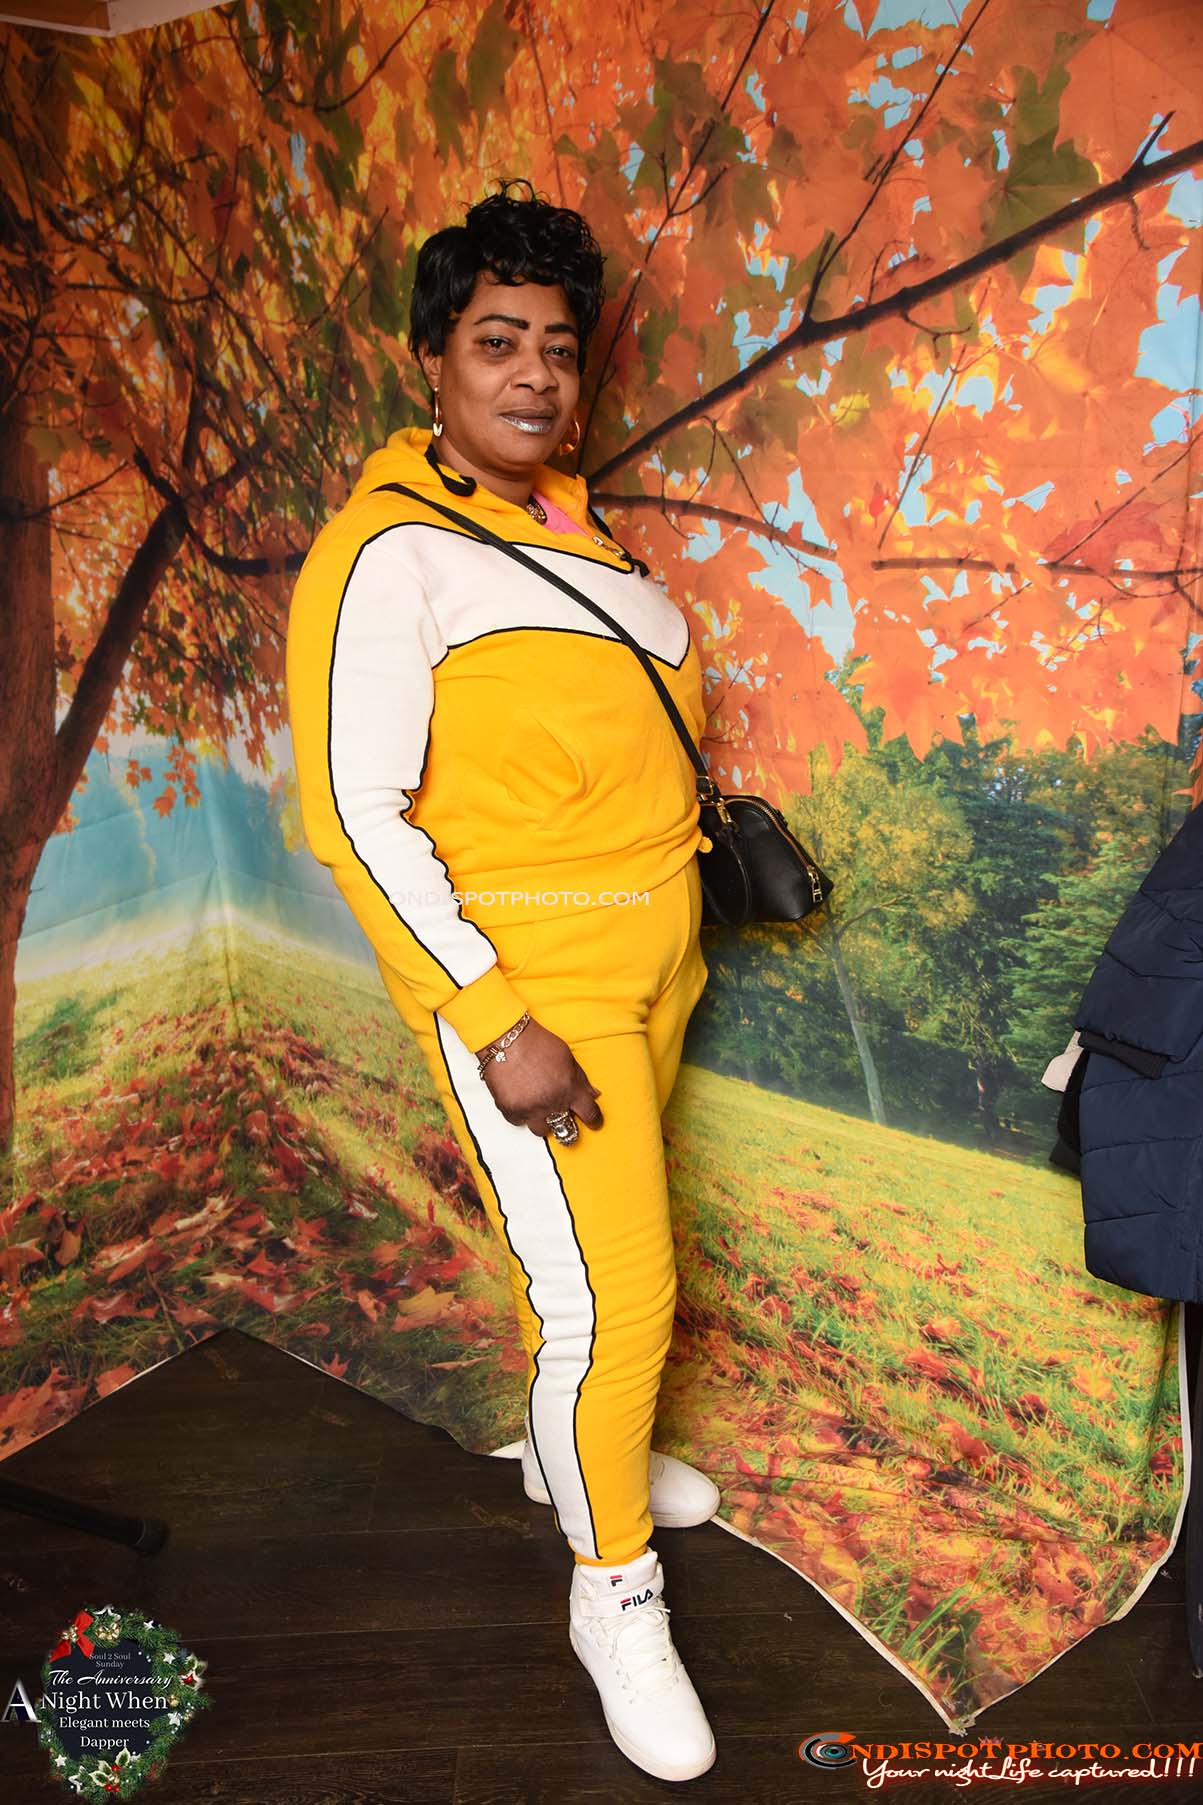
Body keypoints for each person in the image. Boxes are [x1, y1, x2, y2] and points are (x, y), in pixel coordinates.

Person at [285, 177, 719, 1783]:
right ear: (435, 358)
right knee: (619, 1296)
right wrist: (495, 1016)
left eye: (557, 344)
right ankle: (616, 1594)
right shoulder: (389, 549)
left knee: (586, 1285)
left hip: (658, 959)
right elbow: (352, 811)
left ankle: (576, 1450)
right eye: (496, 340)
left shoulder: (587, 535)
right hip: (535, 983)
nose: (534, 372)